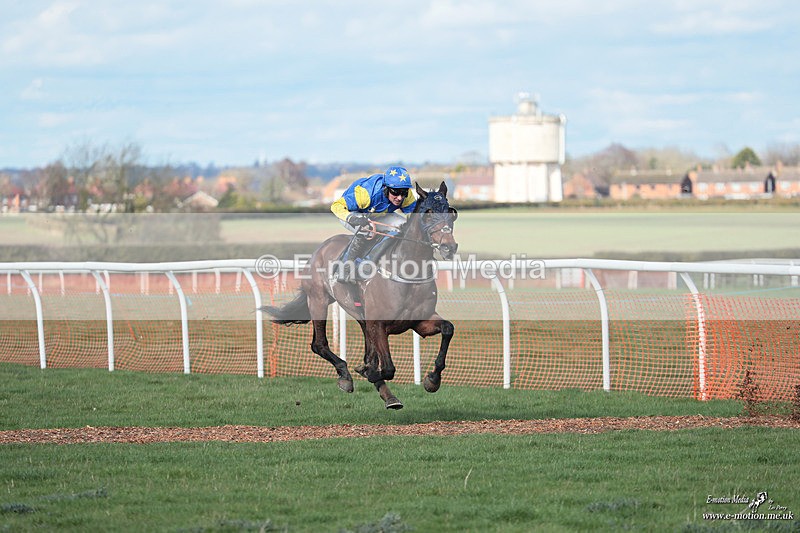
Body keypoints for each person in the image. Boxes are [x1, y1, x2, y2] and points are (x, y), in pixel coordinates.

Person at [330, 165, 417, 282]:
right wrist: (351, 218)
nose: (399, 197)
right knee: (366, 229)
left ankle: (371, 261)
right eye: (395, 192)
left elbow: (417, 217)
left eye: (404, 192)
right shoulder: (366, 194)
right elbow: (336, 206)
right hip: (352, 213)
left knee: (403, 226)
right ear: (386, 188)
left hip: (377, 215)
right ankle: (345, 268)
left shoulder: (405, 195)